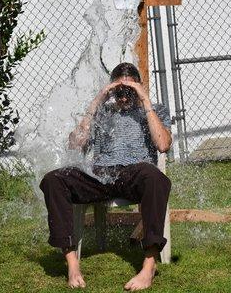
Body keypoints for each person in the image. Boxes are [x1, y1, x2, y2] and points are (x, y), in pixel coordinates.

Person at [40, 62, 172, 291]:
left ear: (138, 88)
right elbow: (75, 144)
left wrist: (144, 98)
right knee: (53, 180)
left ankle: (149, 265)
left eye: (128, 92)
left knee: (156, 178)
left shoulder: (154, 110)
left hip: (135, 173)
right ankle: (72, 262)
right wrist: (99, 99)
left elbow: (163, 144)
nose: (123, 98)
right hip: (99, 174)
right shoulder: (101, 112)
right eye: (118, 92)